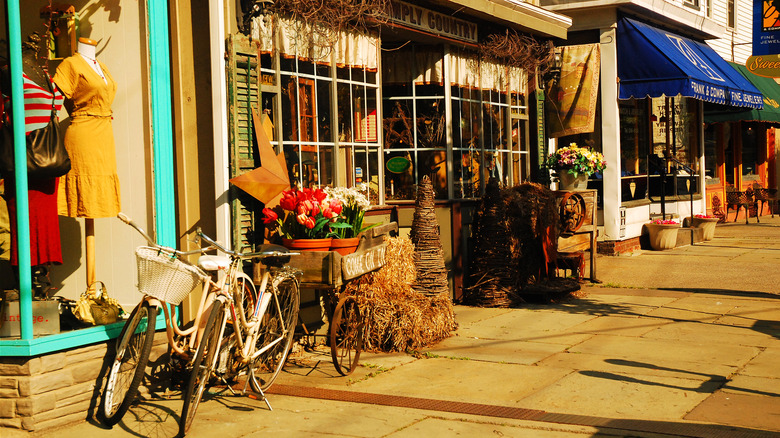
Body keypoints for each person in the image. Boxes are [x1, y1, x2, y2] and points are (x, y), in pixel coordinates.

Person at [0, 33, 65, 275]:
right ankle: (24, 280)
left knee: (45, 223)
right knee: (22, 223)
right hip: (23, 160)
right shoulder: (9, 73)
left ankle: (42, 278)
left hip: (48, 163)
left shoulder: (45, 73)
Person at [53, 37, 121, 218]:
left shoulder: (101, 66)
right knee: (85, 181)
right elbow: (56, 101)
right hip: (84, 133)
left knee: (101, 183)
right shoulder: (70, 65)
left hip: (105, 133)